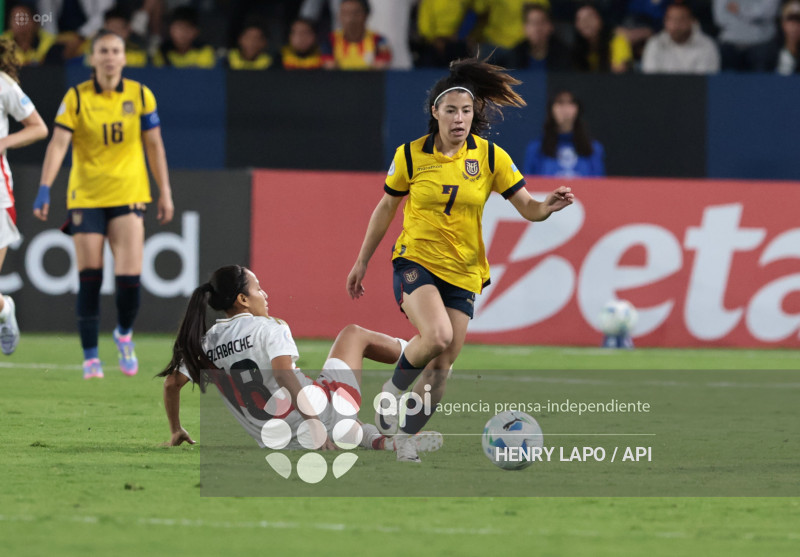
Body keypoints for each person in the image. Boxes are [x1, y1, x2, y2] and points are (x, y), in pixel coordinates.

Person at [346, 58, 574, 462]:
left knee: (441, 368)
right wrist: (362, 260)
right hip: (416, 260)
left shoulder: (490, 157)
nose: (459, 119)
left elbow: (528, 207)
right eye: (451, 110)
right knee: (437, 336)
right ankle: (391, 393)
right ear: (435, 112)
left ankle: (404, 439)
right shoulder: (411, 156)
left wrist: (547, 206)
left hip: (465, 272)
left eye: (466, 111)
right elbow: (386, 207)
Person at [158, 264, 443, 455]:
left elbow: (171, 384)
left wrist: (176, 429)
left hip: (278, 443)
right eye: (258, 288)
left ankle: (380, 442)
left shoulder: (206, 343)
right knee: (353, 334)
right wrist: (313, 424)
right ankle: (421, 353)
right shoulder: (269, 327)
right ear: (243, 299)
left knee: (338, 414)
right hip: (319, 418)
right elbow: (283, 374)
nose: (264, 294)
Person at [34, 29, 174, 380]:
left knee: (129, 279)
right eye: (103, 51)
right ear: (92, 57)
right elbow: (58, 144)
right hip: (87, 196)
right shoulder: (77, 97)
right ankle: (90, 357)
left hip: (129, 193)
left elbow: (154, 145)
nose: (110, 57)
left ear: (124, 58)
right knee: (90, 277)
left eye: (115, 51)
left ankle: (123, 334)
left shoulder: (140, 95)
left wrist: (165, 191)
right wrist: (44, 187)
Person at [0, 36, 48, 355]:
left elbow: (38, 127)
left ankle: (4, 311)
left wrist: (3, 143)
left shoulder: (3, 85)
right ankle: (3, 308)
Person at [524, 90, 605, 178]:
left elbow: (598, 183)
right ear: (551, 108)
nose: (565, 109)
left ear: (578, 108)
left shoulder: (593, 148)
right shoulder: (536, 148)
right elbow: (530, 183)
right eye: (560, 102)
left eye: (570, 103)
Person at [641, 3, 720, 74]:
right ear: (665, 22)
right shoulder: (654, 44)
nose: (676, 24)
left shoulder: (707, 45)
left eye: (681, 19)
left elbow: (705, 80)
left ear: (692, 21)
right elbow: (651, 79)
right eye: (672, 19)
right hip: (661, 86)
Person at [495, 3, 571, 71]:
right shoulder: (515, 54)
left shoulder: (565, 54)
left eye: (542, 22)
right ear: (525, 28)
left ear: (551, 26)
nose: (537, 29)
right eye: (532, 23)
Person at [321, 0, 391, 70]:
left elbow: (382, 64)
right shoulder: (330, 40)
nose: (350, 19)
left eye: (356, 13)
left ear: (366, 15)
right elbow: (328, 65)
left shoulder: (378, 40)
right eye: (345, 13)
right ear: (339, 16)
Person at [713, 0, 781, 71]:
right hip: (729, 44)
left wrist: (740, 10)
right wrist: (750, 17)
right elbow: (720, 18)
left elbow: (767, 12)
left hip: (762, 43)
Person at [571, 2, 633, 73]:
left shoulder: (617, 41)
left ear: (600, 20)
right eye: (580, 19)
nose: (586, 23)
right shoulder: (575, 47)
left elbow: (619, 73)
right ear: (576, 25)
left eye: (590, 17)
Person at [3, 2, 57, 66]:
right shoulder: (2, 42)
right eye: (15, 18)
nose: (20, 23)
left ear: (35, 21)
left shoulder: (50, 42)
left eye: (24, 18)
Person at [773, 0, 800, 74]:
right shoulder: (766, 53)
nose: (795, 25)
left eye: (798, 19)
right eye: (790, 19)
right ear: (782, 22)